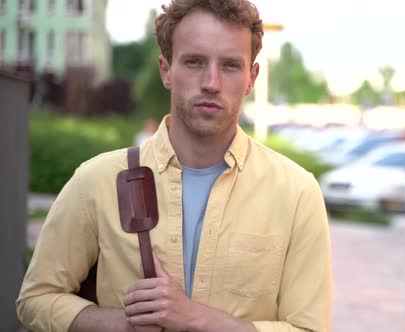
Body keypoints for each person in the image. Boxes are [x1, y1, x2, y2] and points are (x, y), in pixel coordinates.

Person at [16, 1, 333, 331]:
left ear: (251, 77)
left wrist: (193, 317)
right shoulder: (98, 180)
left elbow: (309, 328)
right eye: (194, 62)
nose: (212, 82)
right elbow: (36, 298)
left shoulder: (296, 193)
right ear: (166, 70)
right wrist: (123, 324)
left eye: (230, 66)